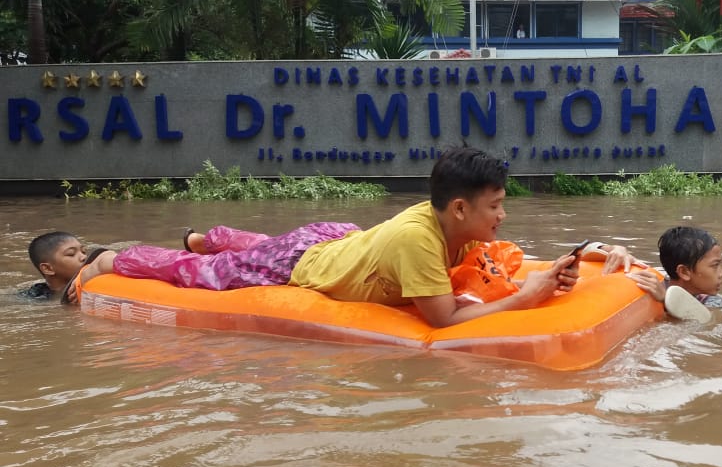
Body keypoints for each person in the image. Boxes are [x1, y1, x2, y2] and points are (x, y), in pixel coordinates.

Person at [63, 147, 640, 327]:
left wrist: (584, 254)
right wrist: (527, 297)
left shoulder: (455, 224)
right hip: (310, 260)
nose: (503, 218)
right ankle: (123, 254)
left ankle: (206, 235)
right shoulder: (421, 240)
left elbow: (502, 259)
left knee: (265, 242)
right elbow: (440, 319)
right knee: (212, 276)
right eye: (496, 207)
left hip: (342, 237)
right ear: (460, 207)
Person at [625, 226, 722, 317]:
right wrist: (618, 250)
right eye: (715, 265)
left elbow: (709, 322)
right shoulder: (655, 281)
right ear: (684, 272)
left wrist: (666, 300)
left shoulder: (712, 302)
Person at [20, 231, 89, 300]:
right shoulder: (35, 300)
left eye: (83, 252)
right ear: (48, 269)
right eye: (71, 254)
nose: (84, 257)